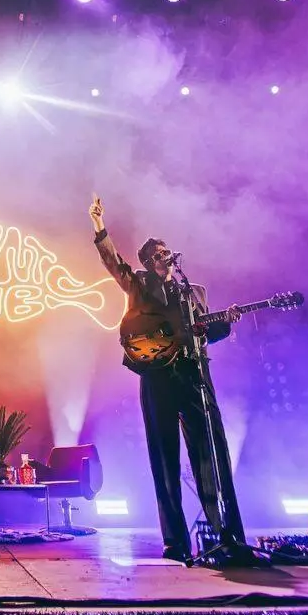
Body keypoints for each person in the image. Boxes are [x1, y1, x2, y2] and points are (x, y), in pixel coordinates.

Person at [88, 196, 261, 566]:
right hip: (158, 377)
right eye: (158, 253)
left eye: (166, 251)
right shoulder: (139, 284)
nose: (165, 256)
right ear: (149, 261)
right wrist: (100, 227)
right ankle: (175, 541)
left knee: (211, 453)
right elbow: (113, 263)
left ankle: (227, 534)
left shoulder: (194, 291)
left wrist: (225, 322)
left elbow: (208, 334)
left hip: (195, 375)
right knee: (164, 457)